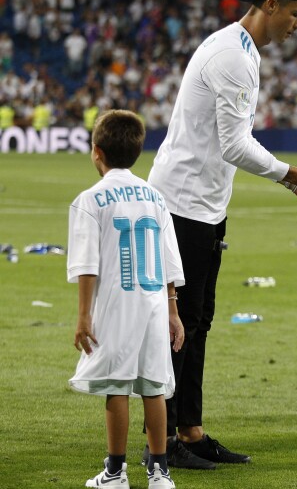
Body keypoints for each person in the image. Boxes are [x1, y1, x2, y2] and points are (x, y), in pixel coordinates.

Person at [146, 0, 297, 470]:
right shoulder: (232, 56)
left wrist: (291, 181)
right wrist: (294, 175)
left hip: (201, 205)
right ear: (268, 6)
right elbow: (234, 146)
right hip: (183, 205)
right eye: (294, 14)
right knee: (178, 324)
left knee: (197, 322)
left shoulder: (239, 48)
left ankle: (190, 430)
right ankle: (162, 441)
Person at [68, 110, 186, 489]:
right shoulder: (154, 195)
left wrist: (84, 316)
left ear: (96, 151)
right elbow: (170, 259)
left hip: (117, 305)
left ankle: (116, 473)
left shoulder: (90, 199)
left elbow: (87, 265)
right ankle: (159, 472)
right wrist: (173, 310)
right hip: (153, 305)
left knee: (117, 386)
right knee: (153, 386)